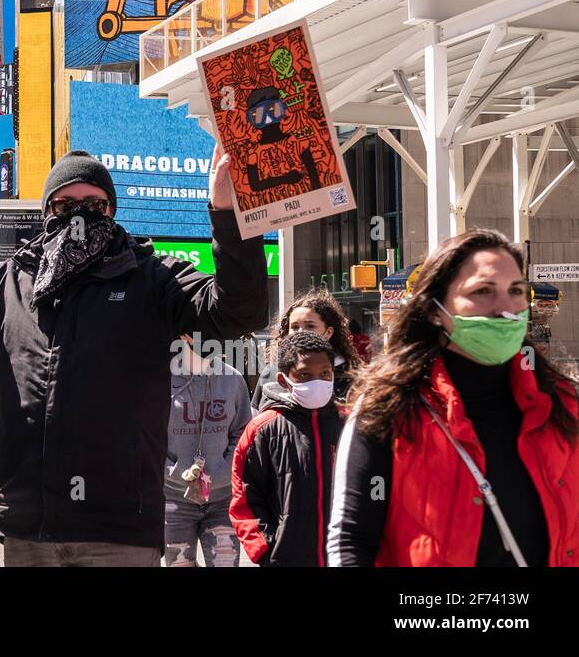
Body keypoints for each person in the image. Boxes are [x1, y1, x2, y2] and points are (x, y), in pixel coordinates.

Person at [0, 143, 267, 567]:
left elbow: (235, 312)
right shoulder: (6, 282)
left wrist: (228, 216)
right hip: (31, 524)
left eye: (93, 204)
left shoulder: (153, 278)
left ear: (112, 210)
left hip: (119, 525)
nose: (79, 214)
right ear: (47, 212)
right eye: (65, 204)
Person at [329, 229, 579, 567]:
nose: (506, 309)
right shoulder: (387, 408)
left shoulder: (564, 404)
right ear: (435, 310)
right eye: (483, 291)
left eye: (517, 291)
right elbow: (351, 540)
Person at [229, 332, 343, 567]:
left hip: (343, 558)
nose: (317, 381)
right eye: (304, 375)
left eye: (325, 373)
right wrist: (266, 551)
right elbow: (245, 499)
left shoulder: (350, 425)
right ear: (283, 380)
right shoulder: (263, 429)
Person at [163, 334, 251, 567]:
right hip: (174, 499)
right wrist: (171, 469)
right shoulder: (161, 379)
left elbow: (242, 432)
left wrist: (223, 469)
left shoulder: (233, 379)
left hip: (222, 499)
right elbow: (149, 433)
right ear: (184, 336)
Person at [251, 288, 361, 409]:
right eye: (295, 327)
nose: (301, 332)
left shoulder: (349, 373)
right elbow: (256, 415)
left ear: (328, 332)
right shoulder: (272, 372)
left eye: (310, 326)